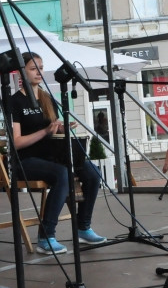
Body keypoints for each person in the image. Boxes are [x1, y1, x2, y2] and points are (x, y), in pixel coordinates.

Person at [10, 52, 106, 254]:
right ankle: (46, 236)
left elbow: (51, 132)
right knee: (62, 174)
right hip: (26, 161)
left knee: (93, 172)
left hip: (51, 156)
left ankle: (83, 227)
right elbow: (16, 143)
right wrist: (45, 131)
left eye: (41, 68)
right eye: (33, 68)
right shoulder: (15, 102)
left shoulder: (47, 99)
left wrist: (60, 128)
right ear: (22, 72)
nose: (39, 72)